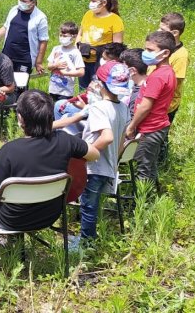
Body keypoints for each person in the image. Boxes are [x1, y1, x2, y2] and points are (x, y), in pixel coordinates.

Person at [0, 90, 99, 262]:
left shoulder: (9, 151)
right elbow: (94, 154)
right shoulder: (66, 141)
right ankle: (12, 242)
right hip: (50, 215)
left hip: (11, 220)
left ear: (21, 119)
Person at [66, 63, 130, 250]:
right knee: (92, 204)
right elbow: (120, 141)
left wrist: (83, 157)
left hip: (94, 167)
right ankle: (88, 239)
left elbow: (107, 137)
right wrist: (114, 163)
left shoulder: (99, 108)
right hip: (109, 165)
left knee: (88, 205)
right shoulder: (123, 109)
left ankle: (87, 242)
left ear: (101, 84)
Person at [125, 31, 177, 185]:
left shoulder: (158, 76)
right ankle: (153, 194)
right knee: (150, 164)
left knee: (143, 168)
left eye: (150, 50)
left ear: (165, 52)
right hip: (156, 126)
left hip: (150, 129)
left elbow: (145, 106)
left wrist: (131, 126)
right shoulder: (164, 71)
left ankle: (141, 203)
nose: (145, 53)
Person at [0, 0, 49, 75]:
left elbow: (43, 41)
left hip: (24, 59)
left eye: (24, 1)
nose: (20, 3)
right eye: (20, 0)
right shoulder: (14, 10)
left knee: (20, 87)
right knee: (4, 83)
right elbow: (5, 27)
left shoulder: (40, 17)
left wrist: (38, 62)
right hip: (7, 55)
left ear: (33, 2)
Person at [77, 0, 124, 90]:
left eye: (93, 1)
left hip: (99, 61)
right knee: (82, 89)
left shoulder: (115, 20)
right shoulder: (88, 14)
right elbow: (80, 33)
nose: (90, 3)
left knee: (97, 89)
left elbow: (117, 46)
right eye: (90, 1)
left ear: (103, 3)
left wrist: (107, 60)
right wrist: (76, 48)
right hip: (83, 59)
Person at [150, 13, 189, 124]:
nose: (158, 31)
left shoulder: (181, 55)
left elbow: (175, 83)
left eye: (162, 29)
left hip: (166, 104)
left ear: (175, 33)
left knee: (159, 135)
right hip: (152, 96)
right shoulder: (159, 46)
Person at [46, 21, 86, 102]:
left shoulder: (75, 52)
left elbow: (81, 72)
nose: (62, 38)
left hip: (66, 92)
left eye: (65, 36)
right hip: (53, 89)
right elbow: (49, 66)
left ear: (73, 36)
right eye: (60, 35)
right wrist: (56, 65)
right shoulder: (56, 49)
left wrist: (66, 73)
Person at [119, 48, 147, 122]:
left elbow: (133, 120)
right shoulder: (145, 83)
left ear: (132, 70)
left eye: (122, 67)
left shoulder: (139, 95)